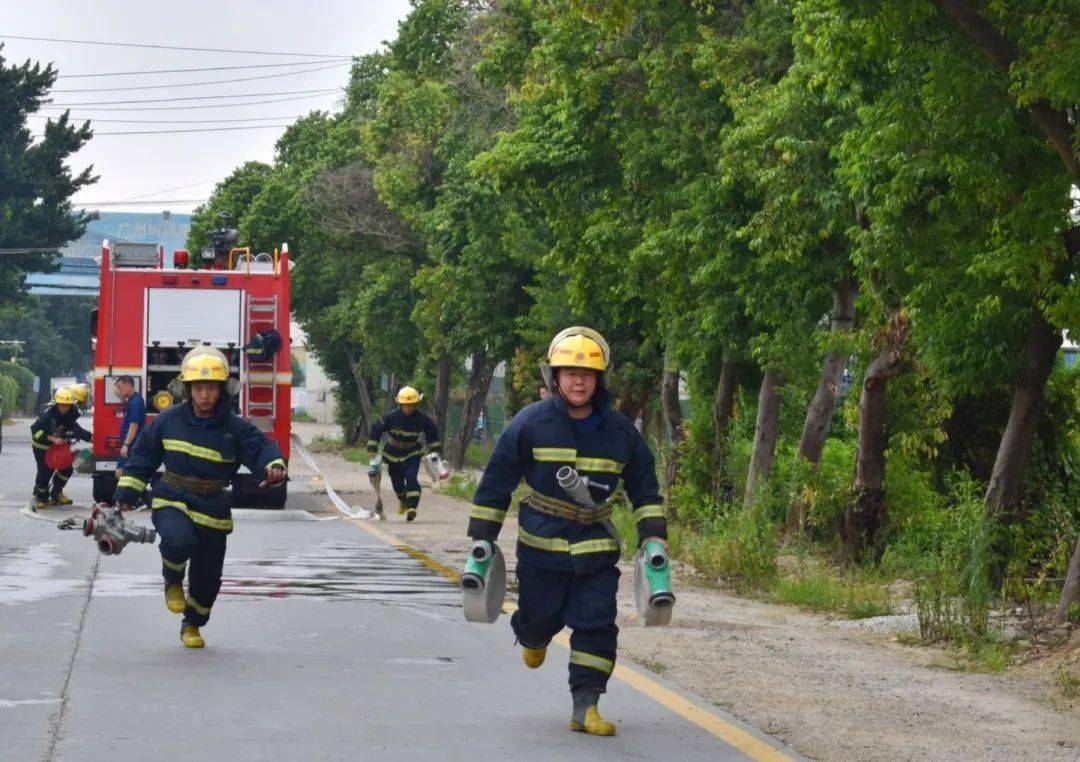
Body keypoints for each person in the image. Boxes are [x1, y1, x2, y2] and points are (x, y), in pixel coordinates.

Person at [467, 327, 667, 736]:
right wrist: (483, 537)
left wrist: (653, 535)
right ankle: (532, 636)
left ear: (599, 380)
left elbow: (645, 486)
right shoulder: (530, 423)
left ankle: (586, 706)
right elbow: (498, 480)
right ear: (554, 378)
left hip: (596, 550)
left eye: (588, 375)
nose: (579, 381)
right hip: (542, 549)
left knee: (597, 623)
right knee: (540, 619)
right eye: (569, 373)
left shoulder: (620, 432)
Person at [112, 347, 287, 649]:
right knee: (177, 540)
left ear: (223, 390)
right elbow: (143, 456)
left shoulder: (235, 427)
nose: (204, 395)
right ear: (187, 389)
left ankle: (192, 623)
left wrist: (274, 466)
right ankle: (173, 580)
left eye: (211, 388)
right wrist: (126, 492)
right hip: (172, 497)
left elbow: (261, 449)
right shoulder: (168, 421)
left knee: (208, 578)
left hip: (213, 505)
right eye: (199, 388)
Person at [366, 386, 442, 522]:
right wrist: (372, 449)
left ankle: (412, 507)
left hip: (412, 452)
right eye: (405, 405)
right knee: (397, 483)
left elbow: (432, 434)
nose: (408, 408)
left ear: (416, 404)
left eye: (411, 405)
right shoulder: (390, 417)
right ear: (400, 404)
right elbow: (376, 429)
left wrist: (435, 452)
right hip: (392, 454)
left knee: (411, 477)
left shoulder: (423, 419)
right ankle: (403, 500)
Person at [30, 387, 92, 508]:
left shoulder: (71, 412)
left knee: (67, 468)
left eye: (68, 405)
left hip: (58, 447)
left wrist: (92, 438)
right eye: (62, 405)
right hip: (42, 447)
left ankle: (56, 493)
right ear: (57, 404)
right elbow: (35, 431)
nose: (65, 408)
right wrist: (53, 439)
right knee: (45, 472)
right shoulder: (47, 416)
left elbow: (75, 429)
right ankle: (41, 498)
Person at [113, 375, 146, 477]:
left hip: (132, 444)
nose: (118, 391)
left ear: (128, 386)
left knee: (121, 472)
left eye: (119, 387)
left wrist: (126, 445)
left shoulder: (135, 403)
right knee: (124, 472)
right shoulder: (133, 400)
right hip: (132, 444)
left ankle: (126, 492)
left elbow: (133, 426)